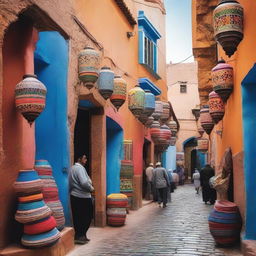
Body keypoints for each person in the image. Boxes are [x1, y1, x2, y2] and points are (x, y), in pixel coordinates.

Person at [69, 154, 94, 244]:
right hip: (83, 196)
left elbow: (71, 183)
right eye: (84, 158)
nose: (86, 160)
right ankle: (81, 235)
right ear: (79, 159)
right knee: (87, 216)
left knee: (77, 217)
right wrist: (91, 189)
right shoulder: (79, 168)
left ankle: (79, 235)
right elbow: (84, 182)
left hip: (74, 195)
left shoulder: (72, 168)